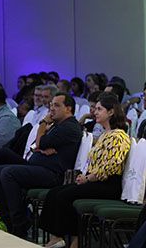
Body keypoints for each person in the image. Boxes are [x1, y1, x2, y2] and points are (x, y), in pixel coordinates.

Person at [40, 92, 131, 248]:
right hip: (97, 181)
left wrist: (88, 178)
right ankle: (57, 236)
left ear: (111, 112)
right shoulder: (105, 134)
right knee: (55, 192)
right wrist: (85, 176)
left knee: (64, 195)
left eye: (100, 109)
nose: (95, 112)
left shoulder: (118, 136)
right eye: (96, 108)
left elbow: (110, 167)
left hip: (109, 185)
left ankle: (75, 240)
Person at [0, 93, 82, 238]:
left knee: (8, 173)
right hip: (39, 167)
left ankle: (19, 225)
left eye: (56, 105)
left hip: (53, 175)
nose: (51, 109)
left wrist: (43, 123)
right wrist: (42, 145)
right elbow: (38, 146)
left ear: (68, 109)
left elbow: (40, 143)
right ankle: (8, 221)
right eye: (51, 105)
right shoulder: (58, 125)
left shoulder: (69, 127)